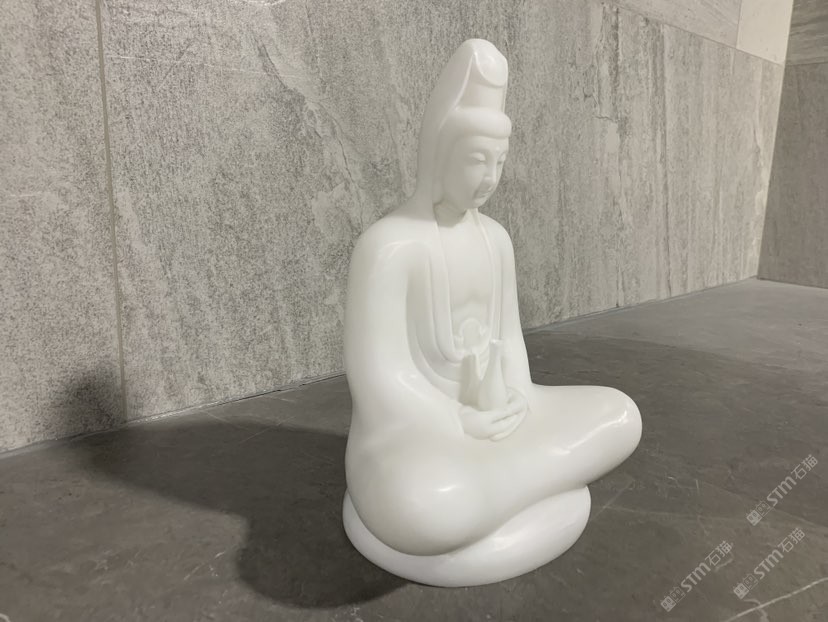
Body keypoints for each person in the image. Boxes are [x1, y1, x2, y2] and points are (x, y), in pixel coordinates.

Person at [342, 39, 642, 586]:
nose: (489, 178)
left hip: (501, 420)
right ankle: (526, 486)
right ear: (439, 157)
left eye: (499, 162)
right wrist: (456, 421)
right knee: (424, 507)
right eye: (476, 160)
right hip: (415, 434)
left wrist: (517, 395)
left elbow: (510, 340)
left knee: (621, 416)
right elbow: (379, 377)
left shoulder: (496, 240)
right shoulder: (388, 246)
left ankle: (490, 497)